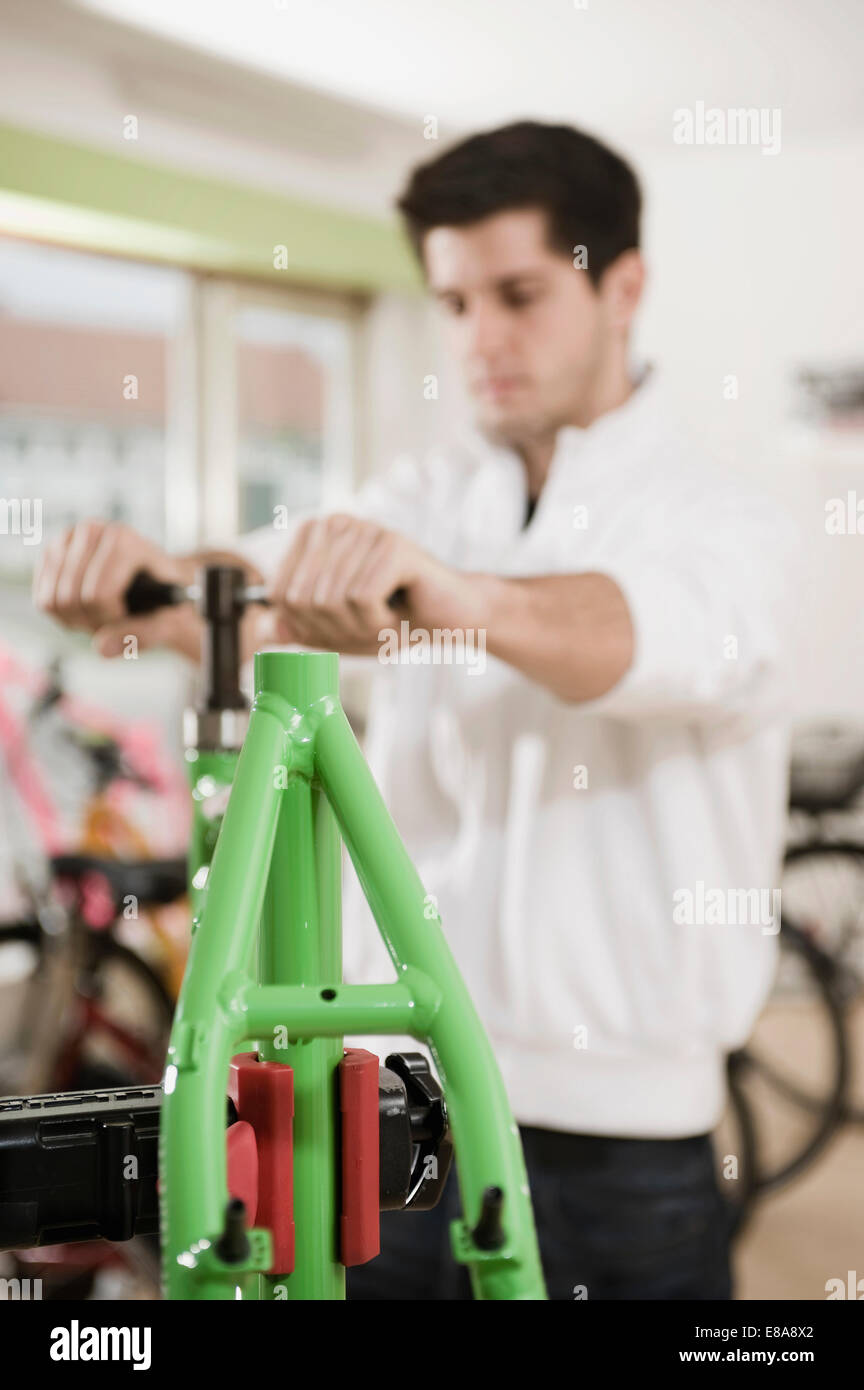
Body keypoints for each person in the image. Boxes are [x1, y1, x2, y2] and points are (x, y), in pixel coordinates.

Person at [34, 121, 798, 1300]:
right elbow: (245, 595)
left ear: (625, 286)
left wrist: (461, 598)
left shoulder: (724, 514)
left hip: (620, 1137)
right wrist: (144, 583)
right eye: (452, 303)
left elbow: (638, 635)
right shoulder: (423, 493)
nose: (480, 338)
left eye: (519, 294)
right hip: (385, 1105)